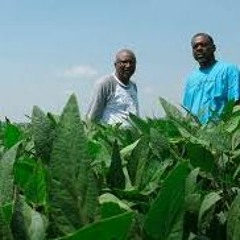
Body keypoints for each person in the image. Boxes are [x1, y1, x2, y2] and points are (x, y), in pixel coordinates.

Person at [183, 33, 240, 123]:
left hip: (220, 131)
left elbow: (236, 104)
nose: (199, 48)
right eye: (195, 46)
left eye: (203, 45)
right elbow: (188, 111)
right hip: (196, 134)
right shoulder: (191, 78)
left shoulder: (229, 70)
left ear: (214, 48)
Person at [86, 49, 139, 127]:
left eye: (131, 62)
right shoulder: (105, 84)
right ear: (115, 65)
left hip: (131, 137)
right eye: (124, 62)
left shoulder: (133, 86)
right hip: (111, 136)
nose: (128, 65)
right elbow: (93, 116)